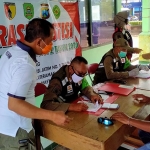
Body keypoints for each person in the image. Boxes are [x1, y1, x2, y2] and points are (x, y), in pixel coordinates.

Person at [0, 18, 72, 150]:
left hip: (5, 127)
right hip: (18, 131)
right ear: (39, 41)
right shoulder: (24, 64)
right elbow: (14, 104)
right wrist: (53, 116)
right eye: (49, 42)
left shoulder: (11, 52)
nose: (50, 46)